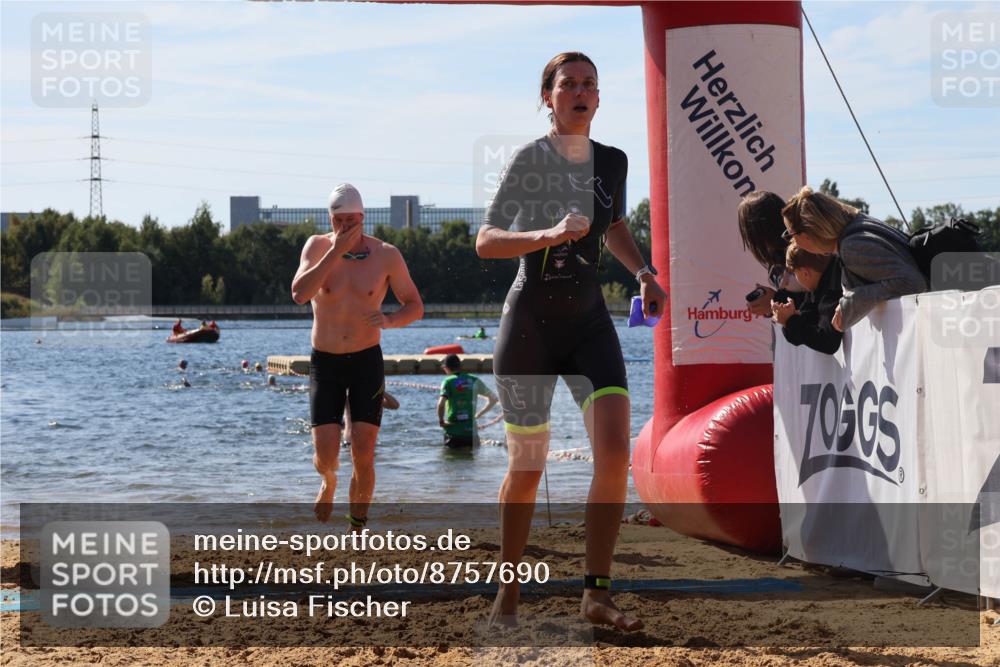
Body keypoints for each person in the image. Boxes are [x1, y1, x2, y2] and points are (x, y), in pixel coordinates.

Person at [475, 52, 665, 632]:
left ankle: (596, 595)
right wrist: (548, 234)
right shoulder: (531, 160)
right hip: (529, 324)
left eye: (590, 84)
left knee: (613, 455)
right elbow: (486, 240)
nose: (580, 92)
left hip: (588, 324)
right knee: (528, 466)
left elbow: (614, 227)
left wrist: (644, 272)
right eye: (568, 84)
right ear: (548, 97)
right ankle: (507, 595)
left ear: (599, 98)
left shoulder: (613, 162)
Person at [291, 183, 424, 526]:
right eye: (340, 220)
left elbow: (415, 305)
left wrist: (392, 320)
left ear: (364, 218)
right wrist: (334, 252)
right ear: (330, 219)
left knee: (364, 452)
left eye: (353, 219)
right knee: (326, 455)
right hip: (326, 361)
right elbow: (299, 294)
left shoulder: (385, 255)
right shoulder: (317, 247)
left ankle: (357, 527)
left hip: (366, 360)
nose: (347, 226)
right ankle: (328, 482)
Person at [781, 186, 926, 331]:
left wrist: (852, 302)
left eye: (790, 234)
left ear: (806, 233)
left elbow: (913, 282)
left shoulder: (851, 247)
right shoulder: (857, 228)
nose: (792, 241)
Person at [737, 190, 805, 316]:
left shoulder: (803, 252)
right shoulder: (775, 261)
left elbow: (820, 299)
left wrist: (776, 300)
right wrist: (769, 306)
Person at [771, 242, 844, 355]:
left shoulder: (832, 289)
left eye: (795, 274)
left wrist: (789, 321)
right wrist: (791, 317)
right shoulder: (815, 289)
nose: (796, 278)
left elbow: (828, 342)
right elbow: (802, 332)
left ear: (805, 273)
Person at [437, 354, 498, 448]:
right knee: (470, 460)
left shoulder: (448, 381)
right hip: (471, 433)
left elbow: (441, 404)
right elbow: (494, 399)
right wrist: (478, 415)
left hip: (453, 433)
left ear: (446, 367)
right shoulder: (474, 380)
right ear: (460, 366)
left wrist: (441, 421)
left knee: (451, 459)